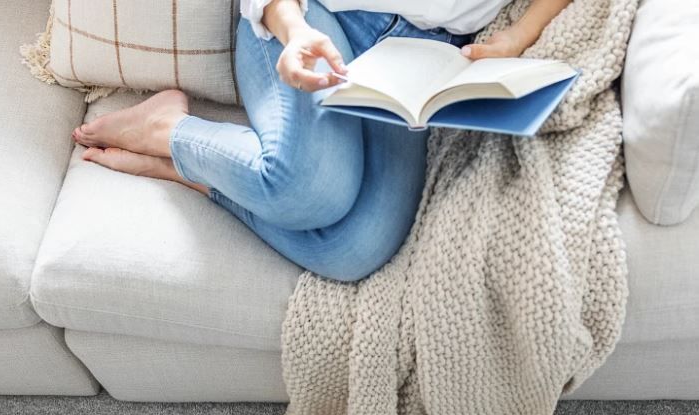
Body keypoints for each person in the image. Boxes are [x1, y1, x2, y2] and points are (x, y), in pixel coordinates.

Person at [73, 0, 573, 282]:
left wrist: (519, 35)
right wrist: (292, 31)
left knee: (352, 252)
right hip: (310, 19)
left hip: (420, 56)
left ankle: (185, 166)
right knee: (304, 193)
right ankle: (168, 130)